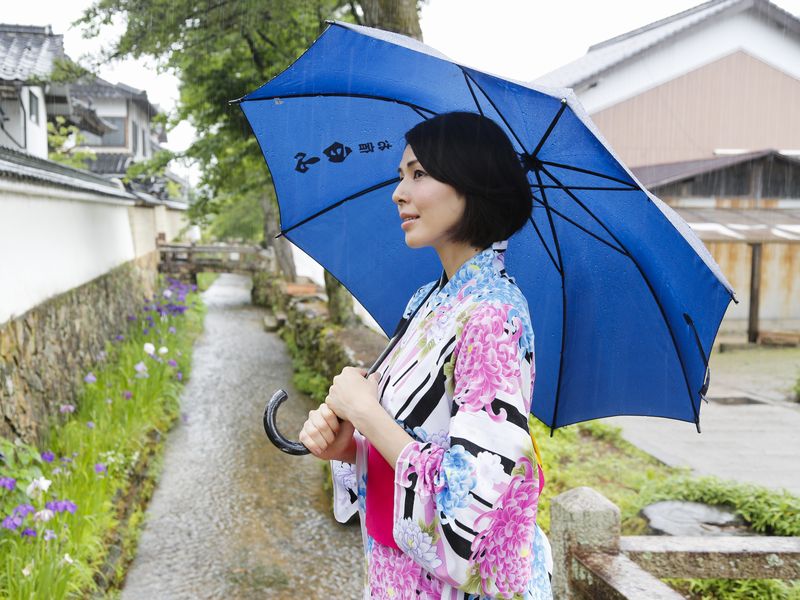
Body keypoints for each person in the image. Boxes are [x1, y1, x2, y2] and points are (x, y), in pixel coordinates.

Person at [298, 112, 553, 600]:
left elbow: (469, 514)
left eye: (418, 173)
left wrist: (366, 412)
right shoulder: (426, 301)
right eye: (400, 176)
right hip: (397, 578)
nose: (399, 192)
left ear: (471, 183)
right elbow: (411, 435)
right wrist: (349, 448)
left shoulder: (494, 318)